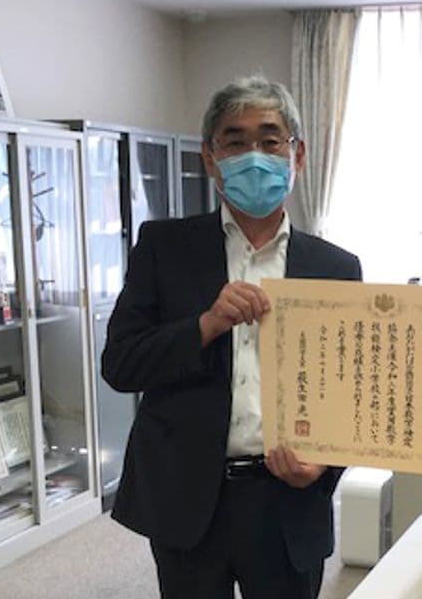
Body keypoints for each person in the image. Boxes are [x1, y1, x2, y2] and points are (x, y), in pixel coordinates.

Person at [102, 76, 362, 599]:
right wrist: (205, 325)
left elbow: (354, 393)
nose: (254, 156)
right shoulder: (164, 247)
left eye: (270, 140)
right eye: (235, 141)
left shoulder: (336, 267)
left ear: (297, 154)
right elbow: (120, 364)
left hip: (288, 499)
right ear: (210, 157)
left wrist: (324, 464)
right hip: (187, 495)